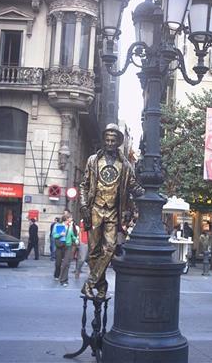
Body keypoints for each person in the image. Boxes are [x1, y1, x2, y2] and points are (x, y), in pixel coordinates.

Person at [79, 123, 144, 300]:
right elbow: (84, 185)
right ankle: (101, 287)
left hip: (113, 212)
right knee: (93, 251)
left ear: (118, 142)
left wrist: (146, 193)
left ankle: (89, 283)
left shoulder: (125, 166)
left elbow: (133, 186)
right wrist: (84, 206)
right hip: (94, 209)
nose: (109, 143)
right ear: (103, 141)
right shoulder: (93, 160)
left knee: (110, 247)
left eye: (113, 140)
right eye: (107, 139)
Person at [58, 214, 78, 287]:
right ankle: (60, 276)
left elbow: (72, 235)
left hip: (68, 246)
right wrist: (60, 234)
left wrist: (76, 240)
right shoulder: (60, 226)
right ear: (67, 219)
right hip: (61, 246)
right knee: (60, 263)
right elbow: (56, 236)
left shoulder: (70, 226)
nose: (72, 219)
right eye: (70, 218)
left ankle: (64, 280)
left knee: (66, 263)